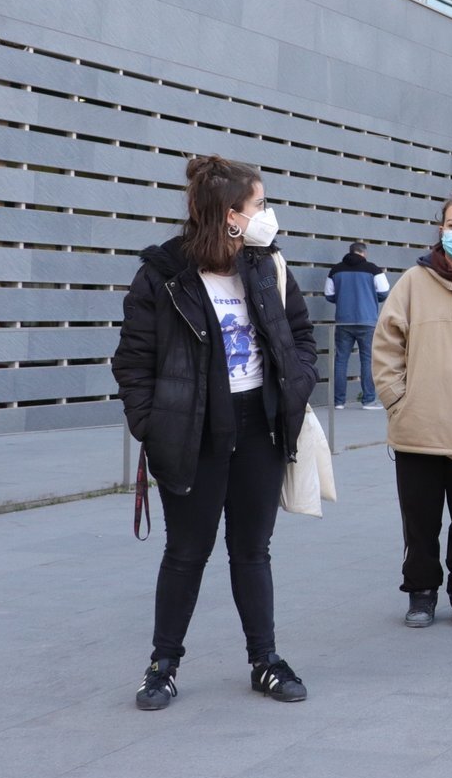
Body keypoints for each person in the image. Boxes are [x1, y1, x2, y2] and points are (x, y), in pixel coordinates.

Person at [112, 156, 318, 711]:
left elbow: (301, 334)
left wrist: (294, 389)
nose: (268, 215)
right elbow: (132, 362)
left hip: (259, 429)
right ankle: (162, 666)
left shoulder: (265, 266)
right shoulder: (163, 274)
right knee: (186, 552)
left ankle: (265, 660)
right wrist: (153, 427)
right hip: (191, 432)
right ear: (231, 215)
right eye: (260, 205)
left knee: (253, 550)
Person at [372, 193, 452, 631]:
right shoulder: (412, 281)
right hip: (418, 426)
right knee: (420, 522)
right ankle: (421, 592)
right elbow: (387, 344)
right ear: (440, 229)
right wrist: (397, 400)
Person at [324, 241, 389, 409]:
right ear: (364, 253)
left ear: (350, 252)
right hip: (367, 321)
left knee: (341, 360)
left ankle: (339, 402)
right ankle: (368, 400)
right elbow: (384, 292)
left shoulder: (336, 270)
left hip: (343, 321)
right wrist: (369, 297)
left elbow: (329, 295)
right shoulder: (373, 269)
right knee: (367, 360)